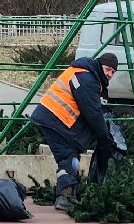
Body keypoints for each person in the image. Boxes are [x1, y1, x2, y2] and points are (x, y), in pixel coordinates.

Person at [31, 53, 121, 210]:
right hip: (56, 118)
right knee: (68, 158)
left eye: (113, 72)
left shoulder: (85, 74)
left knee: (71, 156)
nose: (110, 74)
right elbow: (93, 113)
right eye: (108, 69)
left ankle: (69, 193)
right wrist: (104, 138)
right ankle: (64, 197)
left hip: (55, 118)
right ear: (99, 65)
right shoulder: (87, 78)